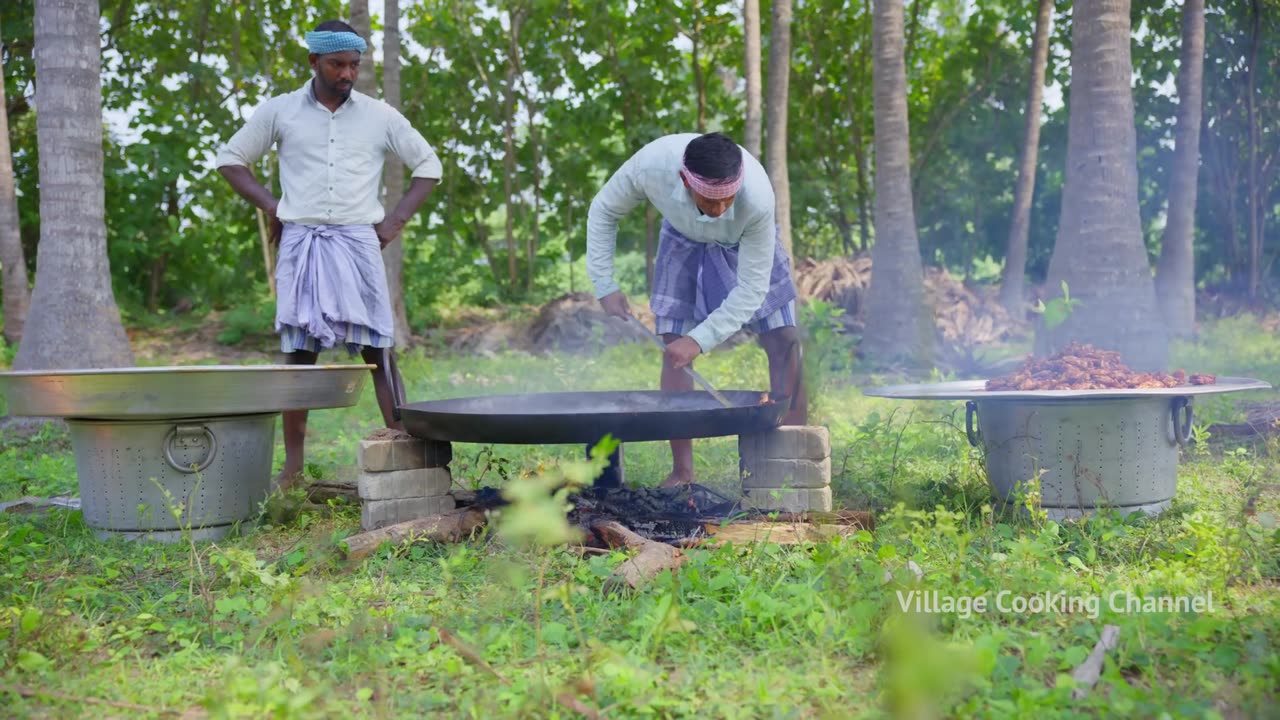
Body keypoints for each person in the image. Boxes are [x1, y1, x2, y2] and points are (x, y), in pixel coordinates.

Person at [214, 20, 442, 490]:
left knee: (378, 349)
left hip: (360, 241)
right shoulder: (280, 111)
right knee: (298, 354)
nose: (347, 73)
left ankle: (401, 449)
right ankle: (293, 470)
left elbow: (429, 164)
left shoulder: (379, 115)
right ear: (313, 62)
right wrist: (276, 206)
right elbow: (231, 159)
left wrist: (394, 221)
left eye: (354, 65)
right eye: (337, 64)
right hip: (303, 242)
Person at [586, 132, 807, 487]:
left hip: (742, 243)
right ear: (684, 181)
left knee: (785, 338)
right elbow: (604, 209)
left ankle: (795, 459)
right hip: (680, 237)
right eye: (709, 200)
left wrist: (700, 339)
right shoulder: (649, 166)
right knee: (674, 349)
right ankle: (683, 472)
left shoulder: (758, 198)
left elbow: (752, 289)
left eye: (727, 200)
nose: (719, 210)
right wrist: (605, 283)